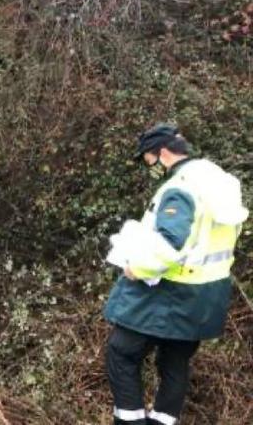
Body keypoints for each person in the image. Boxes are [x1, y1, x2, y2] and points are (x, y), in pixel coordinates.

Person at [103, 123, 248, 425]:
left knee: (121, 352)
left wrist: (135, 267)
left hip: (170, 292)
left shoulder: (181, 186)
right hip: (208, 295)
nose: (150, 166)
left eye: (149, 159)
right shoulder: (219, 180)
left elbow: (170, 244)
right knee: (175, 360)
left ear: (164, 152)